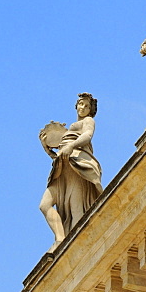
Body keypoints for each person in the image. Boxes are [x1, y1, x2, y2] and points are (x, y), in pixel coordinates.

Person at [39, 93, 103, 246]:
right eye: (81, 104)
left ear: (91, 111)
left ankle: (79, 246)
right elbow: (62, 155)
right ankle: (60, 239)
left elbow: (87, 136)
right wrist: (49, 152)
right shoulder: (70, 129)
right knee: (44, 205)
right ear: (76, 106)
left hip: (77, 167)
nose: (83, 108)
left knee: (76, 211)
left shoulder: (88, 121)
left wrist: (71, 145)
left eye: (87, 106)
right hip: (63, 168)